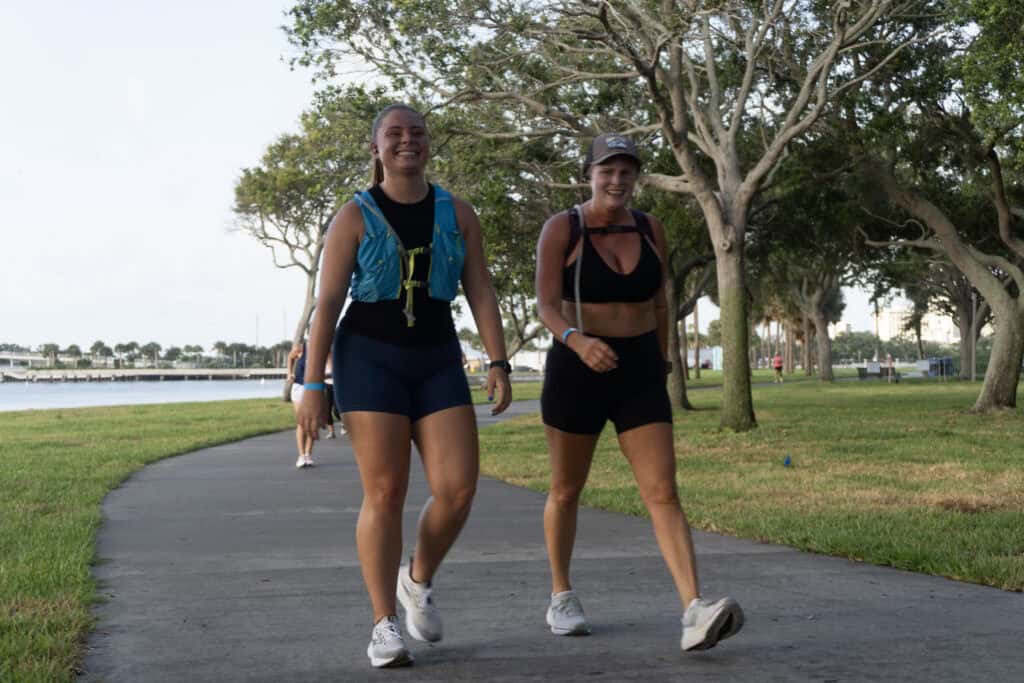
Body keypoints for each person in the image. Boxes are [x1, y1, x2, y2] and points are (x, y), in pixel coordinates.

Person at [296, 103, 512, 669]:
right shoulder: (353, 216)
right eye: (394, 134)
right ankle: (382, 624)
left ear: (428, 144)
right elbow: (327, 304)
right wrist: (312, 383)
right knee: (386, 491)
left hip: (437, 355)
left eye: (416, 133)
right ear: (376, 148)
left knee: (458, 488)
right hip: (368, 357)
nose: (407, 141)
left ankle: (416, 579)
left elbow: (481, 289)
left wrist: (499, 360)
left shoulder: (457, 212)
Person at [534, 134, 744, 652]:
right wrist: (578, 341)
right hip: (576, 367)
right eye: (607, 170)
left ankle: (694, 609)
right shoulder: (563, 227)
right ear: (589, 173)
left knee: (663, 491)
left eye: (626, 171)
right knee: (566, 489)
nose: (617, 180)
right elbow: (545, 304)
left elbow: (660, 299)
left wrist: (663, 356)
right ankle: (561, 594)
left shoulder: (652, 228)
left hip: (639, 372)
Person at [287, 341, 315, 468]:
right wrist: (289, 373)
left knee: (312, 422)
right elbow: (290, 357)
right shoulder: (302, 347)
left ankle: (308, 454)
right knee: (301, 422)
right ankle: (301, 455)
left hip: (314, 388)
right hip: (299, 387)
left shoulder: (322, 347)